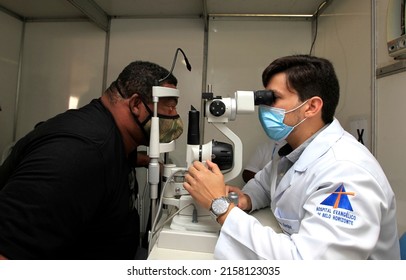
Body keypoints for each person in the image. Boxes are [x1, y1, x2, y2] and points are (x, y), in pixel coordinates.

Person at [183, 54, 400, 259]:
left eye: (274, 98)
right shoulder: (294, 150)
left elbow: (309, 266)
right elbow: (263, 185)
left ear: (311, 107)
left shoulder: (346, 172)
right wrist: (246, 199)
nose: (264, 107)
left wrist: (220, 206)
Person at [0, 61, 183, 259]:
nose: (174, 116)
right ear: (136, 105)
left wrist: (142, 160)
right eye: (170, 108)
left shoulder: (108, 135)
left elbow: (106, 163)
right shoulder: (79, 153)